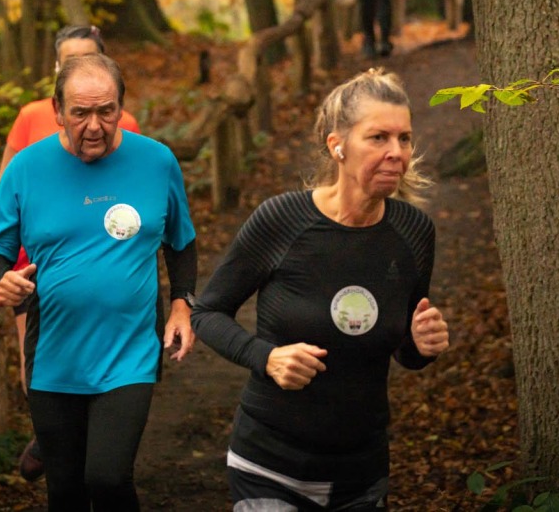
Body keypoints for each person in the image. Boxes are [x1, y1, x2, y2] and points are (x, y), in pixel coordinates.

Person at [191, 68, 449, 511]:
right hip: (269, 465)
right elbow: (207, 312)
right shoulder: (282, 220)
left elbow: (403, 349)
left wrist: (422, 345)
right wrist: (266, 357)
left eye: (404, 139)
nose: (396, 152)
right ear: (337, 146)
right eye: (378, 138)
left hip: (361, 474)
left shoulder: (413, 232)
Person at [0, 53, 198, 512]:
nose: (94, 126)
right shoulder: (25, 169)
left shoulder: (157, 162)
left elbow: (181, 243)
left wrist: (182, 303)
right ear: (57, 110)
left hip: (129, 351)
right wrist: (3, 282)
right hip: (53, 353)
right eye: (80, 113)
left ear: (121, 107)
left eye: (106, 111)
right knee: (65, 490)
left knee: (108, 477)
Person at [0, 24, 144, 481]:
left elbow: (134, 188)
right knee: (36, 353)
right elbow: (5, 181)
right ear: (55, 69)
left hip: (100, 252)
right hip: (36, 256)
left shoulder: (123, 122)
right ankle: (50, 434)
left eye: (87, 58)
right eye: (69, 61)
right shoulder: (31, 116)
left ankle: (96, 432)